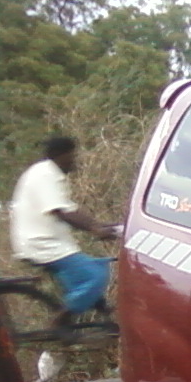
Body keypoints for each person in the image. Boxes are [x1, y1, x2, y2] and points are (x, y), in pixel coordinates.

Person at [9, 135, 119, 339]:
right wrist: (95, 229)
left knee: (97, 267)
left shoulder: (45, 173)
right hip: (42, 244)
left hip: (49, 243)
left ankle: (101, 320)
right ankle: (60, 321)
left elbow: (70, 210)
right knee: (96, 276)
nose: (74, 160)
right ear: (60, 155)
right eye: (72, 156)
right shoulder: (46, 174)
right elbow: (60, 211)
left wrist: (102, 226)